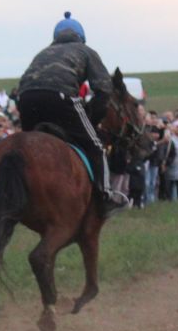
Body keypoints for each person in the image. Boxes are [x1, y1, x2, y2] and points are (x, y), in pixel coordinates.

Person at [13, 12, 128, 214]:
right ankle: (106, 196)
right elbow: (104, 90)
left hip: (25, 99)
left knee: (28, 150)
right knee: (96, 145)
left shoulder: (43, 53)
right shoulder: (86, 51)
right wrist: (91, 118)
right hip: (60, 97)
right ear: (81, 37)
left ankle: (20, 194)